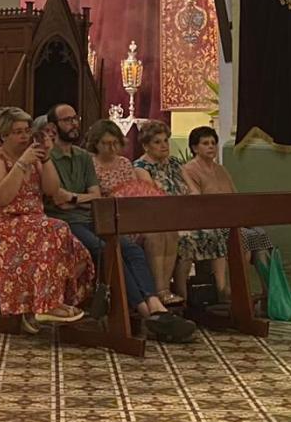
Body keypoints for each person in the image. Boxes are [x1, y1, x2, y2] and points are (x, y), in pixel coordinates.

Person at [44, 104, 194, 341]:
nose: (73, 124)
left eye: (75, 119)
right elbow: (57, 199)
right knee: (109, 251)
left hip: (94, 218)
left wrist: (73, 198)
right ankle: (148, 315)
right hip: (65, 223)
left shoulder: (82, 157)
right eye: (67, 120)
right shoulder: (48, 158)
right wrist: (78, 198)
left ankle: (156, 306)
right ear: (53, 126)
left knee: (132, 250)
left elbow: (94, 195)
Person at [0, 107, 93, 331]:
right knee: (54, 229)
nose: (24, 136)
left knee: (74, 249)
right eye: (17, 132)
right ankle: (47, 305)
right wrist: (21, 164)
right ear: (3, 135)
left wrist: (46, 159)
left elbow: (52, 190)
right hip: (0, 225)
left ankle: (39, 306)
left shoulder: (35, 158)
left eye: (27, 131)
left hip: (35, 224)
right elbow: (2, 198)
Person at [88, 119, 181, 305]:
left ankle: (165, 290)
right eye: (106, 143)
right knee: (153, 237)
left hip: (132, 214)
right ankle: (156, 291)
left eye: (115, 143)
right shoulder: (91, 164)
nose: (111, 148)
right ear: (96, 144)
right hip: (109, 220)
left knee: (170, 232)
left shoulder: (124, 163)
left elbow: (135, 190)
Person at [135, 121, 228, 300]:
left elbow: (193, 191)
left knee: (214, 234)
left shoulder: (175, 163)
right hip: (159, 219)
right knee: (186, 240)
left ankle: (220, 292)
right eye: (157, 142)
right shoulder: (141, 167)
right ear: (146, 146)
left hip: (184, 216)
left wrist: (189, 209)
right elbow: (154, 198)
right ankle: (178, 293)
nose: (164, 145)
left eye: (165, 141)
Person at [182, 126, 275, 270]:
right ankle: (238, 282)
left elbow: (235, 196)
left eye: (213, 143)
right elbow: (197, 204)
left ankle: (268, 282)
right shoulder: (190, 170)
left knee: (260, 234)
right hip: (211, 222)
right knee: (242, 235)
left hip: (231, 219)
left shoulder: (221, 169)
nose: (211, 147)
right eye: (205, 143)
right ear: (195, 148)